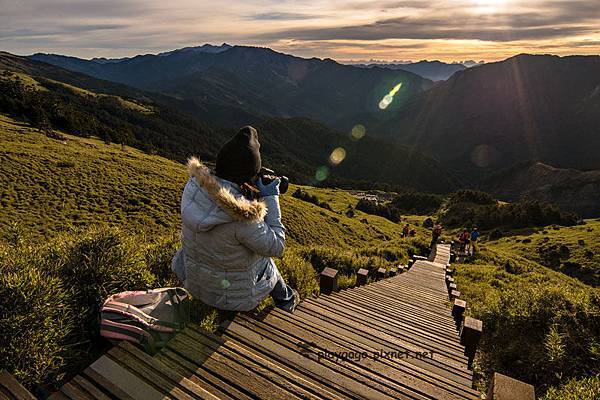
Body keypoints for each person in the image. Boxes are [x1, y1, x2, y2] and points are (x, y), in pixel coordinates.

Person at [171, 126, 299, 313]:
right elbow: (278, 247)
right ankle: (286, 300)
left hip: (196, 283)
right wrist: (270, 197)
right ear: (248, 177)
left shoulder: (193, 188)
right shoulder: (243, 217)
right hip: (232, 297)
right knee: (266, 258)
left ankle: (286, 298)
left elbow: (221, 204)